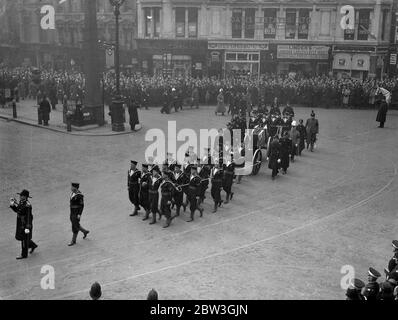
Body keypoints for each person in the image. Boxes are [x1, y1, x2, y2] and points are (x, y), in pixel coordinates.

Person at [9, 189, 38, 259]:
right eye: (20, 195)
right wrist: (12, 205)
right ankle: (33, 245)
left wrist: (27, 227)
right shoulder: (21, 202)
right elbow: (18, 211)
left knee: (24, 240)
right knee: (24, 237)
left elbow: (29, 217)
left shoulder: (28, 205)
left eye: (22, 196)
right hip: (20, 223)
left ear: (25, 197)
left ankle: (24, 255)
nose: (20, 196)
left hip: (25, 224)